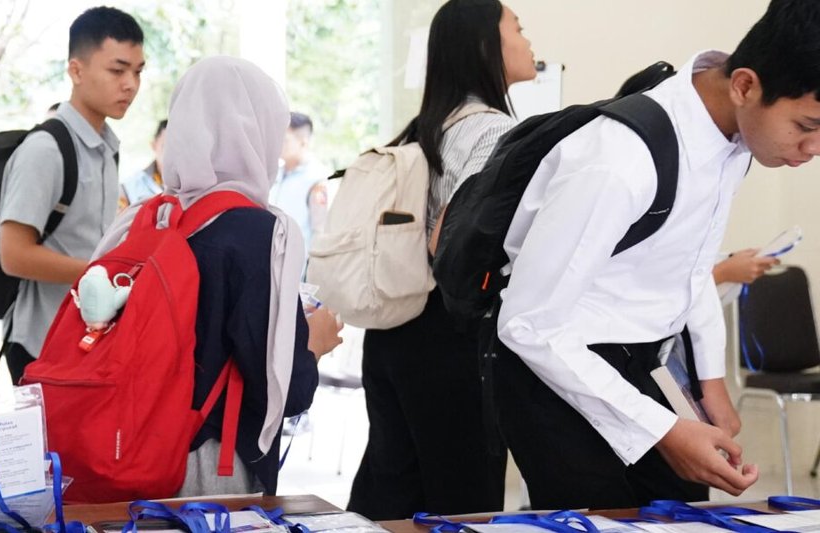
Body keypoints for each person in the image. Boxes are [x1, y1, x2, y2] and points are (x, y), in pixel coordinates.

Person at [494, 0, 820, 510]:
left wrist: (710, 382)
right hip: (559, 364)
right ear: (745, 86)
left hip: (646, 361)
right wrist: (662, 429)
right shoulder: (621, 158)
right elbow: (528, 324)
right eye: (806, 126)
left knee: (683, 512)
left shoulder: (733, 140)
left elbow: (690, 267)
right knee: (603, 518)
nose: (812, 149)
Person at [95, 56, 344, 497]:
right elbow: (283, 391)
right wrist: (313, 343)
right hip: (202, 466)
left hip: (119, 444)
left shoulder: (142, 218)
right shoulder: (258, 231)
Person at [347, 0, 532, 519]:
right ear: (486, 44)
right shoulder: (494, 130)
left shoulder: (424, 126)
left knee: (392, 494)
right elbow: (452, 237)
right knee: (462, 507)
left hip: (392, 330)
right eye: (518, 28)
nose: (527, 41)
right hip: (451, 336)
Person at [0, 6, 145, 384]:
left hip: (84, 340)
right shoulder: (45, 150)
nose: (130, 84)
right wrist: (99, 275)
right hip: (42, 343)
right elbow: (13, 255)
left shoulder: (105, 147)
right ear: (76, 71)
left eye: (138, 72)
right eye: (117, 70)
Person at [267, 112, 331, 247]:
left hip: (299, 257)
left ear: (303, 142)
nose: (278, 144)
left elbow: (320, 230)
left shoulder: (316, 180)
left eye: (285, 139)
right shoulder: (275, 172)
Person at [118, 119, 166, 208]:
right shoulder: (129, 187)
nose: (173, 154)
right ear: (154, 145)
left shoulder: (192, 185)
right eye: (166, 146)